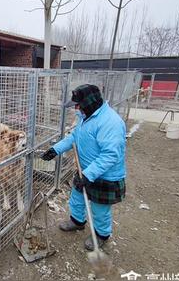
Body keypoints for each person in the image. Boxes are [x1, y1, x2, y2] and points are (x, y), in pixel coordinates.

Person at [41, 84, 126, 251]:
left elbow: (110, 155)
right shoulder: (85, 117)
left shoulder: (110, 122)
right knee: (77, 198)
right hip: (84, 170)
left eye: (78, 106)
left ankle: (101, 235)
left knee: (99, 210)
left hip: (104, 175)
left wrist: (88, 175)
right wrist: (55, 149)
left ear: (88, 103)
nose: (76, 109)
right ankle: (77, 221)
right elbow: (75, 136)